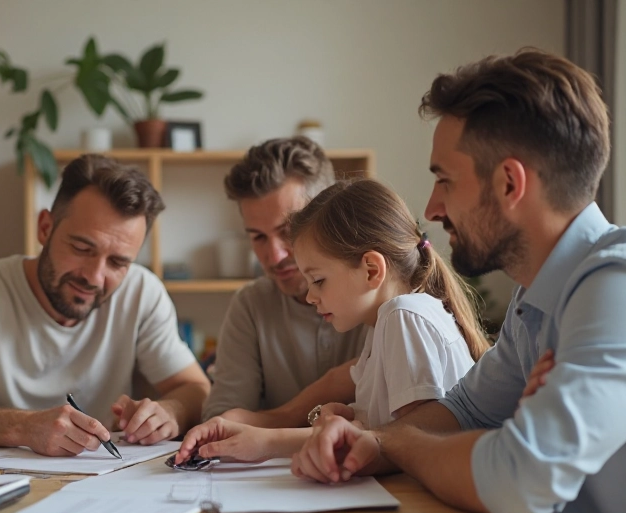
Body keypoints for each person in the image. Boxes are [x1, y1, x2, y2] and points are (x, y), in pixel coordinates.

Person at [293, 48, 626, 513]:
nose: (432, 209)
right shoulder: (538, 295)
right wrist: (375, 441)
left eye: (445, 180)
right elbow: (467, 413)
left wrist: (401, 441)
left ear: (509, 182)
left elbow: (516, 480)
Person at [176, 178, 488, 464]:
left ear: (371, 270)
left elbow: (411, 443)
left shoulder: (403, 317)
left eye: (319, 280)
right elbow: (388, 432)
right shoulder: (384, 322)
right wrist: (353, 417)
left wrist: (270, 440)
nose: (311, 297)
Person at [0, 154, 210, 456]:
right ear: (45, 228)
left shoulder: (141, 292)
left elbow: (198, 391)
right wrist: (23, 427)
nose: (95, 277)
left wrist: (171, 411)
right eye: (82, 248)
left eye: (118, 262)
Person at [202, 137, 368, 428]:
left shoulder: (380, 299)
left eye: (288, 230)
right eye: (258, 237)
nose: (274, 255)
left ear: (332, 214)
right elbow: (220, 423)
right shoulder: (250, 305)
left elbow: (398, 425)